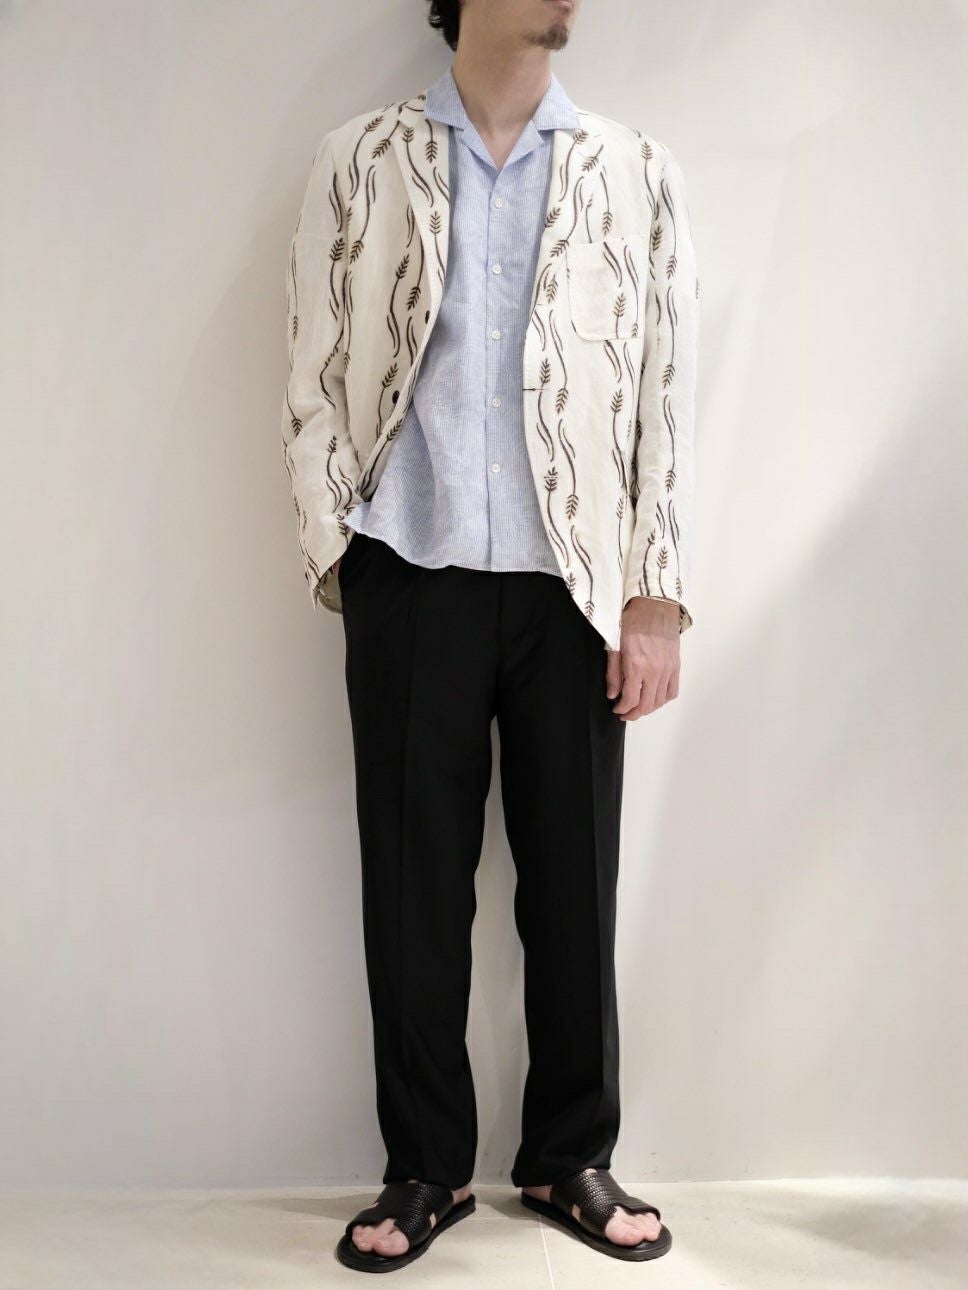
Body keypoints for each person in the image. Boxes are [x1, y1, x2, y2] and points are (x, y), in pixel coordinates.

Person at [281, 0, 699, 1272]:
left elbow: (663, 391)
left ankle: (569, 1155)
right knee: (413, 888)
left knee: (574, 883)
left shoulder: (631, 169)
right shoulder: (363, 158)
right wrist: (338, 545)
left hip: (574, 587)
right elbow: (313, 365)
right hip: (410, 568)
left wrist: (652, 594)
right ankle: (424, 1167)